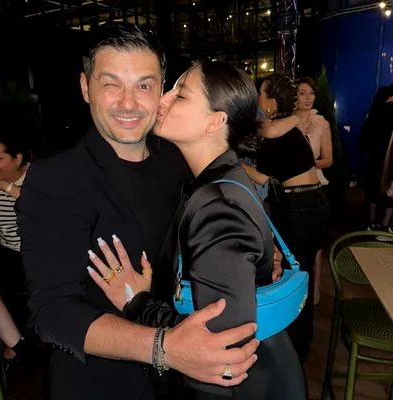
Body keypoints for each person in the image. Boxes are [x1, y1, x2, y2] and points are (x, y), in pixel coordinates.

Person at [15, 23, 262, 400]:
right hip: (102, 385)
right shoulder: (55, 179)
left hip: (180, 384)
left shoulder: (176, 158)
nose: (128, 103)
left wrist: (245, 256)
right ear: (85, 87)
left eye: (144, 86)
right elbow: (52, 313)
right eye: (111, 84)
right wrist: (165, 347)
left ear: (161, 90)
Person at [87, 60, 306, 399]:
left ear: (215, 121)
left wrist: (137, 302)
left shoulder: (220, 207)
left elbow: (219, 350)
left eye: (180, 94)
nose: (162, 99)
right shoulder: (220, 178)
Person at [242, 73, 329, 364]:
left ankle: (294, 347)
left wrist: (233, 163)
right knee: (301, 273)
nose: (257, 98)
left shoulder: (275, 132)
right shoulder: (284, 128)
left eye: (261, 93)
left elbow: (260, 176)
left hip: (298, 208)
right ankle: (301, 341)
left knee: (294, 275)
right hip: (312, 203)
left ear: (270, 102)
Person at [295, 77, 333, 305]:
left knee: (315, 245)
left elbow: (328, 160)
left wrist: (305, 164)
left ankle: (315, 286)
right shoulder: (285, 122)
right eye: (302, 93)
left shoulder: (321, 123)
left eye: (311, 93)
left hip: (314, 190)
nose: (308, 97)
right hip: (289, 193)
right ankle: (295, 290)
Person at [0, 122, 32, 326]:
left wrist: (7, 187)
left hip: (42, 252)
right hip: (8, 255)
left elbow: (42, 207)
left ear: (17, 158)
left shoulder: (41, 175)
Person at [361, 84, 393, 238]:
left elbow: (363, 139)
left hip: (374, 159)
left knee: (372, 192)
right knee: (389, 194)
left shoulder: (374, 112)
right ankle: (384, 227)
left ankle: (371, 224)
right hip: (390, 160)